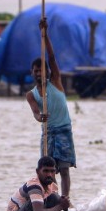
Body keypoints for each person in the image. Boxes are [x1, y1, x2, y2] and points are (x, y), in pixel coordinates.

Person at [26, 18, 76, 196]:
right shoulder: (32, 94)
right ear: (32, 72)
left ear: (47, 71)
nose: (39, 73)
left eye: (42, 70)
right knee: (49, 170)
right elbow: (35, 112)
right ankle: (52, 196)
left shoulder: (55, 81)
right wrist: (41, 117)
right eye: (36, 70)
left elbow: (52, 57)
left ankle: (65, 198)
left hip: (63, 130)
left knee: (64, 169)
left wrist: (45, 35)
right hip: (48, 133)